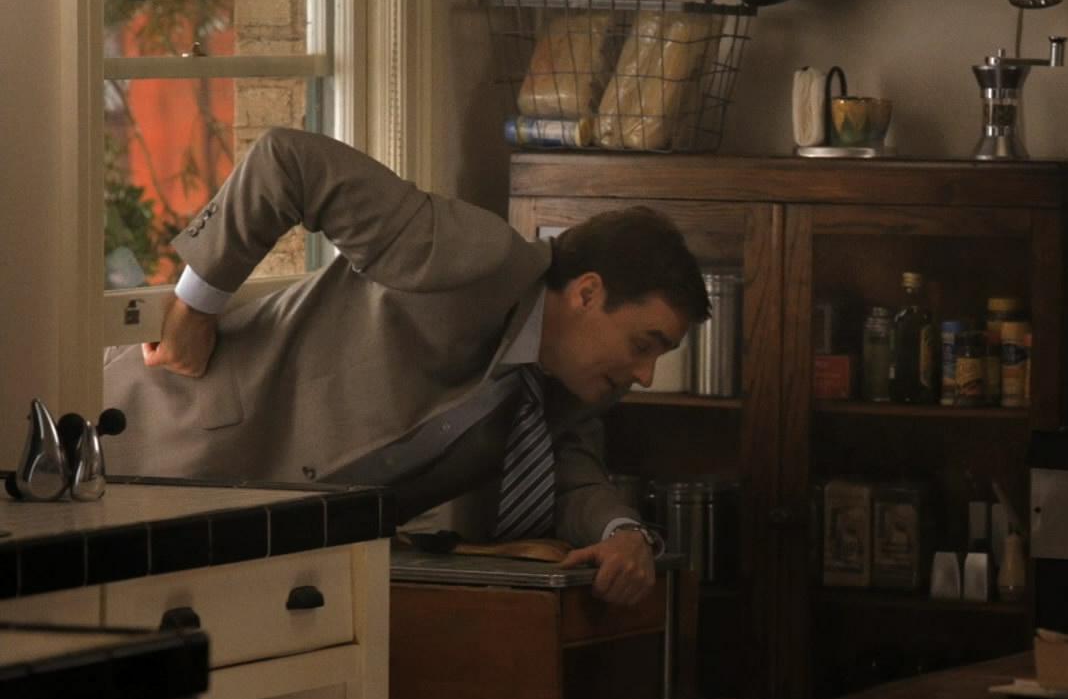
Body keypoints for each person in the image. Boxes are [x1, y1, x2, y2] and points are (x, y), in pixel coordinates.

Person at [103, 128, 710, 606]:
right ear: (587, 293)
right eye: (644, 344)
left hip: (265, 562)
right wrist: (195, 306)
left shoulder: (571, 390)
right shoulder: (478, 256)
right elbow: (288, 162)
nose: (646, 375)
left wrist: (624, 535)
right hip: (145, 442)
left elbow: (574, 476)